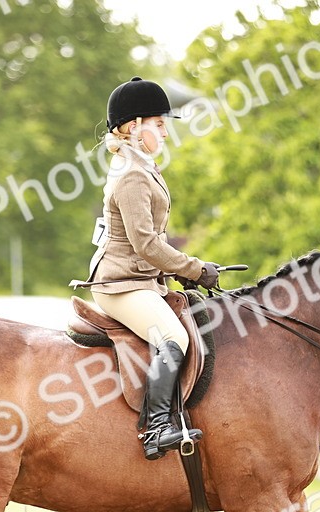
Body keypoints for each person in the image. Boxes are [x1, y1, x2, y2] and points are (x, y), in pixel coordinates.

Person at [80, 77, 221, 460]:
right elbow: (146, 243)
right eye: (158, 124)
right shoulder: (131, 176)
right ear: (132, 127)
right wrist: (193, 268)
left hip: (141, 279)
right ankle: (156, 428)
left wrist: (175, 272)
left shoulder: (142, 168)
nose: (165, 131)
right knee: (174, 338)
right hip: (121, 285)